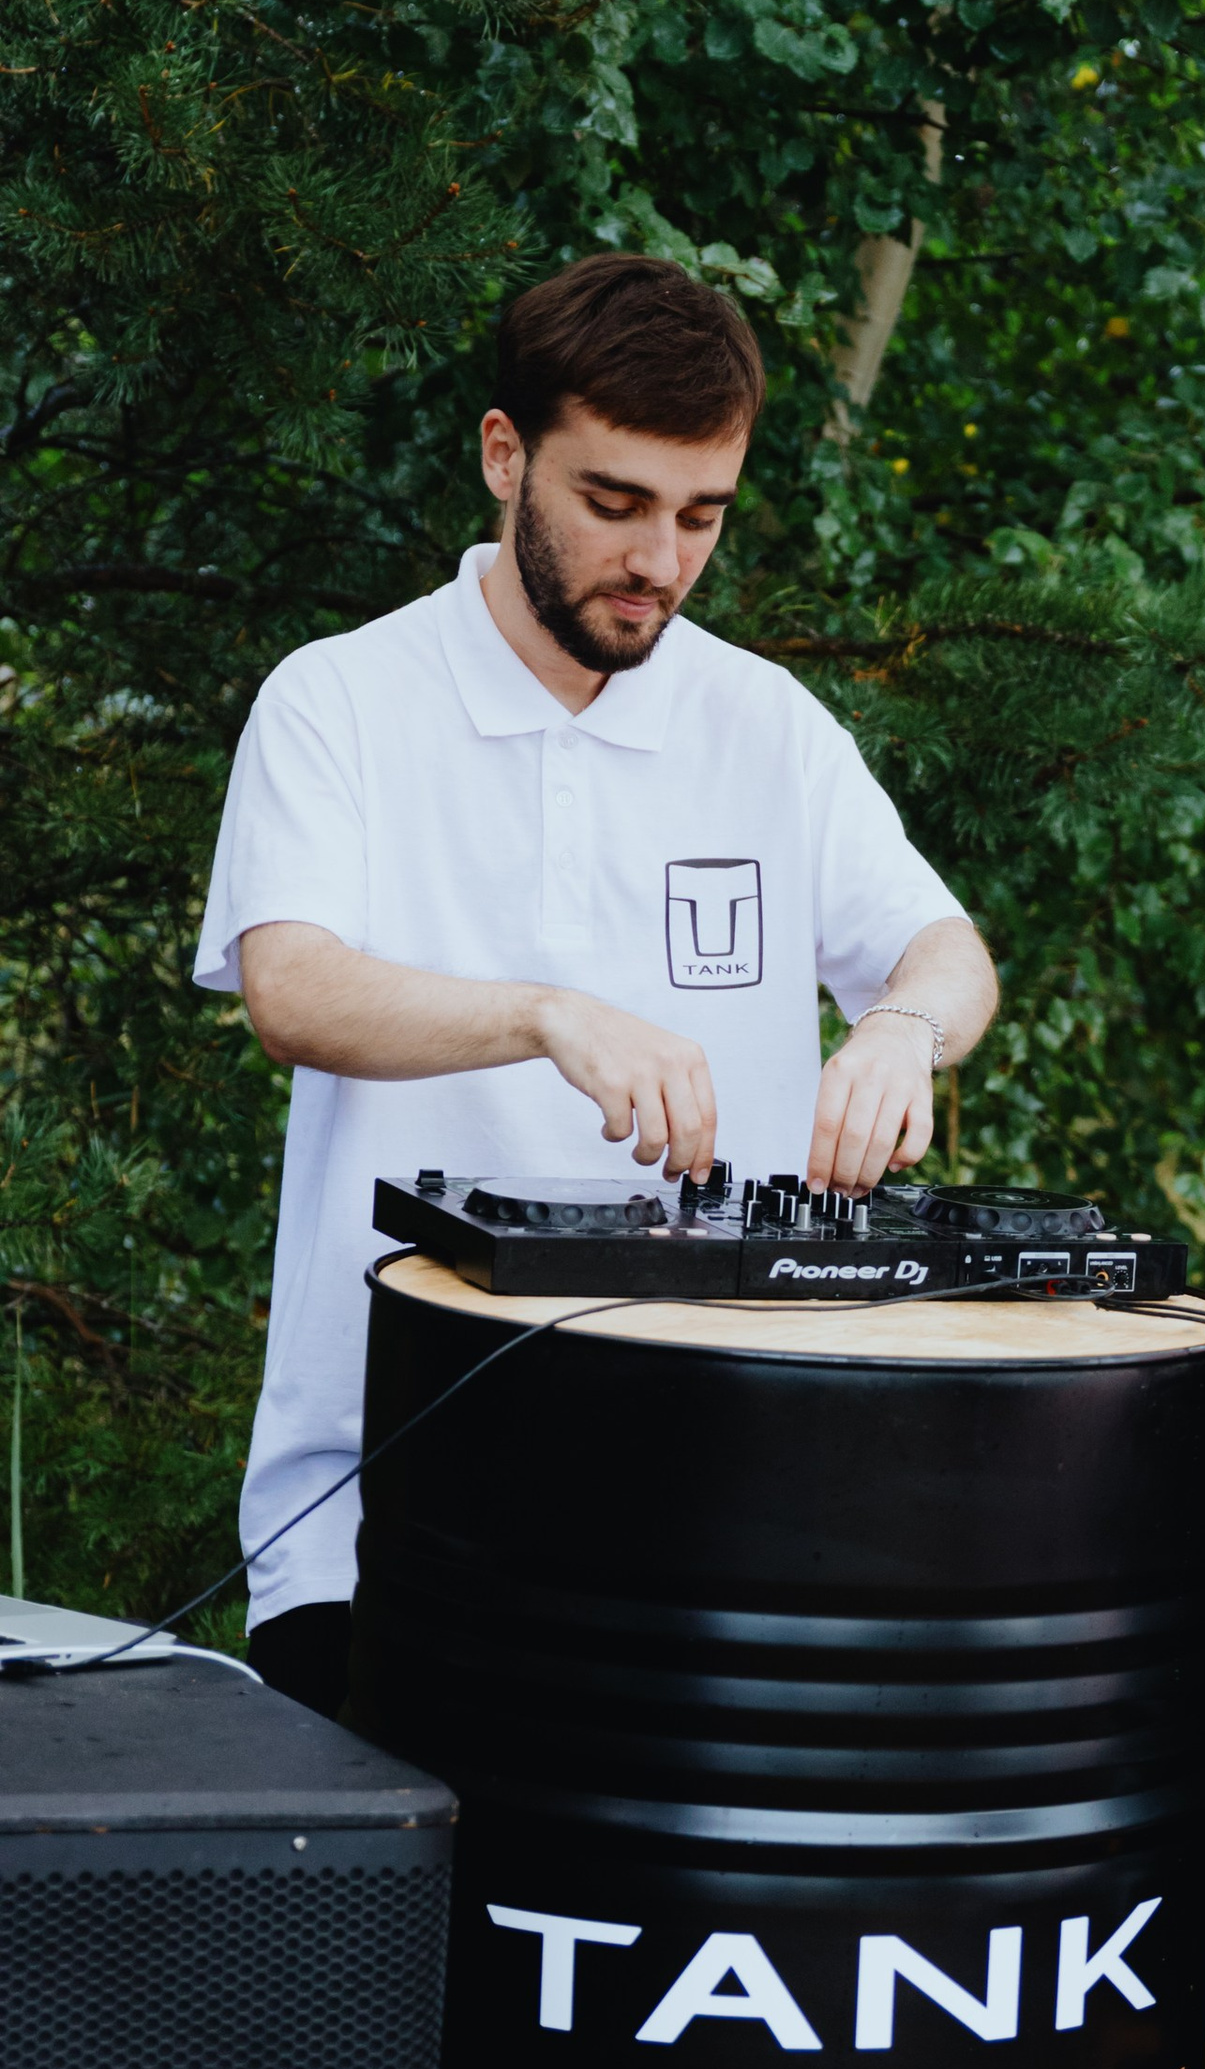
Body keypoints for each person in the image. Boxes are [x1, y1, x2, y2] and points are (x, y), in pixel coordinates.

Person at [193, 251, 996, 1714]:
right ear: (505, 455)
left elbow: (946, 954)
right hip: (379, 1520)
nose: (661, 563)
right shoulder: (339, 700)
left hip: (728, 1509)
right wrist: (543, 1013)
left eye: (702, 516)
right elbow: (290, 991)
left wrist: (897, 1027)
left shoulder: (767, 725)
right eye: (614, 503)